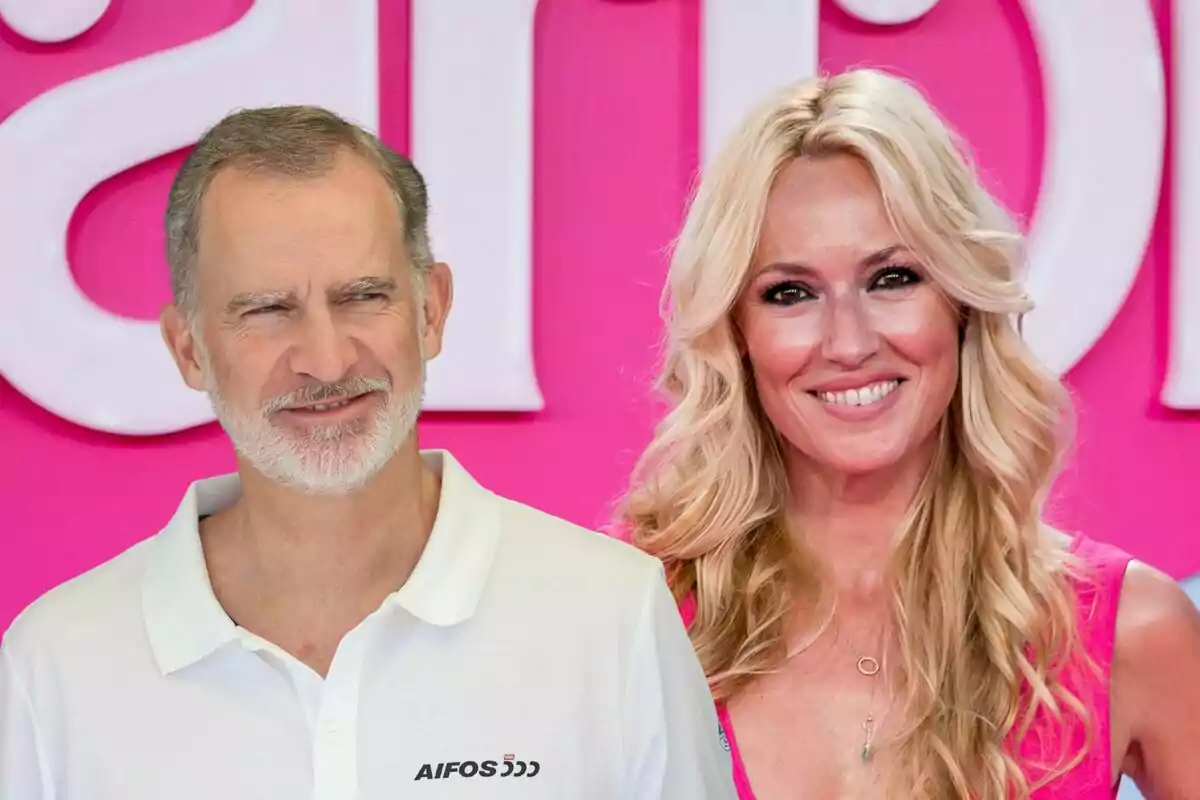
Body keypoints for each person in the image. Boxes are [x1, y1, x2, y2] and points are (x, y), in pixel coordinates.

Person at [0, 105, 737, 799]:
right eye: (267, 310)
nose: (324, 359)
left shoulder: (612, 617)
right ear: (188, 349)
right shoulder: (56, 667)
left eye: (363, 297)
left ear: (432, 310)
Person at [619, 69, 1200, 799]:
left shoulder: (1131, 634)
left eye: (892, 279)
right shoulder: (621, 613)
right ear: (736, 332)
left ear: (961, 302)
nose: (850, 342)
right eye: (790, 293)